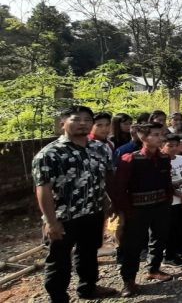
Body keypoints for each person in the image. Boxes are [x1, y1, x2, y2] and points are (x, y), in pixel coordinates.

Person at [32, 106, 118, 302]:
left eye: (87, 120)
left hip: (93, 212)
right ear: (63, 123)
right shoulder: (50, 154)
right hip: (63, 216)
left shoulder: (99, 148)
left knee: (88, 252)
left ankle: (88, 288)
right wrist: (51, 222)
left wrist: (109, 201)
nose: (82, 123)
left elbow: (105, 177)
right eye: (76, 119)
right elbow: (43, 189)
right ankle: (58, 297)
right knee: (59, 259)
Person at [112, 122, 174, 297]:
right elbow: (120, 188)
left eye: (160, 134)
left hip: (161, 205)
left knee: (159, 238)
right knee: (132, 245)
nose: (159, 138)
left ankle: (154, 268)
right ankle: (128, 280)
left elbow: (167, 181)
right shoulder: (130, 159)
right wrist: (124, 211)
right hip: (137, 209)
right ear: (143, 137)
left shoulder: (164, 158)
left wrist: (167, 199)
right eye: (155, 134)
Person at [162, 133, 182, 268]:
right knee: (169, 229)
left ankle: (176, 251)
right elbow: (166, 184)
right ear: (163, 145)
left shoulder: (181, 159)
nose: (173, 148)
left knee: (179, 226)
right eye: (170, 146)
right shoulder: (162, 161)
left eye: (176, 145)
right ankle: (168, 256)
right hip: (170, 200)